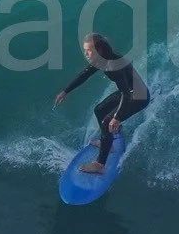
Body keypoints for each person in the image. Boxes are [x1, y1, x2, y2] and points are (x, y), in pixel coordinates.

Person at [55, 33, 150, 175]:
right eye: (85, 51)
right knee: (99, 110)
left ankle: (100, 165)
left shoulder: (113, 65)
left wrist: (117, 117)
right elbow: (84, 75)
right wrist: (65, 91)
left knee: (107, 121)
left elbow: (125, 94)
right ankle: (108, 142)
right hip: (129, 92)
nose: (86, 54)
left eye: (89, 51)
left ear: (99, 50)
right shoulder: (101, 60)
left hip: (138, 97)